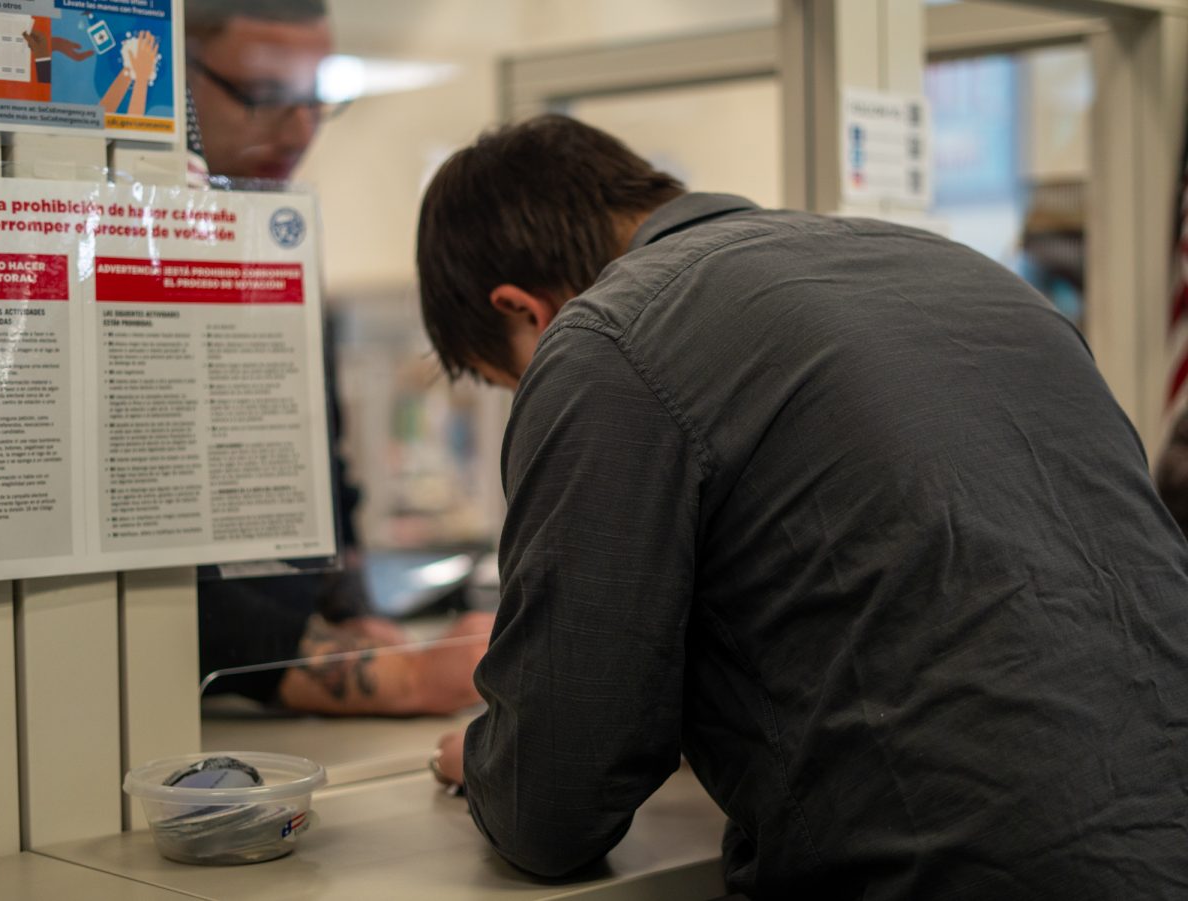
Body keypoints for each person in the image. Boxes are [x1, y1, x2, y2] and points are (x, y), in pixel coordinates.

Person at [418, 115, 1188, 898]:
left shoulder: (605, 339)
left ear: (524, 311)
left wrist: (486, 761)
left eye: (510, 379)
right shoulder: (970, 275)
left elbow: (551, 806)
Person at [187, 0, 491, 716]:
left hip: (271, 688)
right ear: (176, 75)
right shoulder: (111, 248)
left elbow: (319, 462)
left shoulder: (274, 241)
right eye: (265, 96)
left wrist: (350, 612)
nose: (299, 128)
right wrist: (386, 676)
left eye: (318, 98)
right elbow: (124, 562)